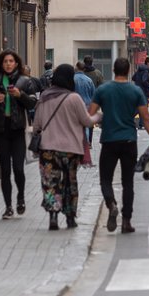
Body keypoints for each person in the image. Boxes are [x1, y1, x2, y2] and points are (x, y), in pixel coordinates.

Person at [89, 56, 149, 234]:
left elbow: (90, 114)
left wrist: (100, 119)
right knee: (128, 182)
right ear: (128, 71)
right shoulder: (135, 91)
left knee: (105, 179)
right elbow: (146, 117)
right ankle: (126, 221)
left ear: (113, 70)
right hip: (129, 140)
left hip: (108, 140)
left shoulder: (103, 89)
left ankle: (111, 203)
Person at [34, 64, 99, 230]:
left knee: (50, 183)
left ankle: (53, 217)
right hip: (71, 150)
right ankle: (70, 217)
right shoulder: (74, 98)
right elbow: (86, 121)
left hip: (48, 149)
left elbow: (37, 125)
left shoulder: (45, 97)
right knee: (70, 182)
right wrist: (98, 116)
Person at [0, 49, 37, 218]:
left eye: (11, 61)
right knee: (5, 170)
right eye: (5, 61)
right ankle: (8, 207)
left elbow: (33, 103)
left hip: (17, 130)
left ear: (16, 63)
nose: (8, 64)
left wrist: (21, 95)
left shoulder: (25, 81)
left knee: (18, 169)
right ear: (1, 64)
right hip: (1, 130)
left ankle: (20, 197)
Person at [74, 62, 97, 155]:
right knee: (87, 125)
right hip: (87, 105)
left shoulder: (72, 79)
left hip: (75, 105)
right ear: (84, 69)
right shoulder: (89, 80)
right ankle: (87, 142)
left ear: (76, 68)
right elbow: (93, 94)